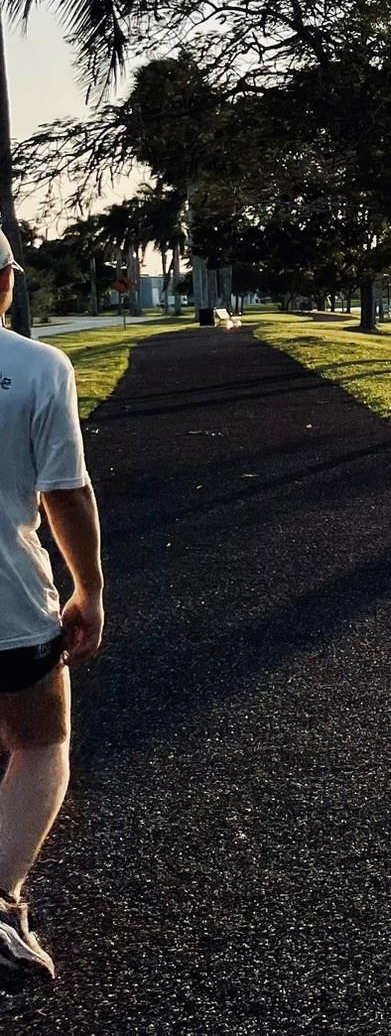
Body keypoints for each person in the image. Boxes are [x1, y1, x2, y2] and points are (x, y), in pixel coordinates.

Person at [0, 235, 104, 985]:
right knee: (41, 743)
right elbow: (64, 490)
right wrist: (89, 589)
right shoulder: (38, 369)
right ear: (6, 282)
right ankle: (0, 901)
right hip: (9, 606)